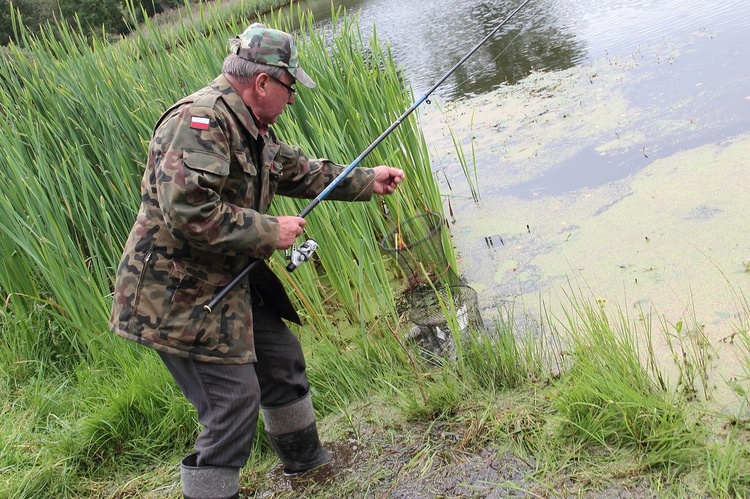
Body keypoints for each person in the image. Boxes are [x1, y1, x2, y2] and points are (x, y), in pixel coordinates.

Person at [109, 23, 405, 499]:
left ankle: (307, 470)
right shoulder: (200, 122)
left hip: (227, 280)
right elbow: (188, 211)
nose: (292, 99)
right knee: (233, 404)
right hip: (176, 298)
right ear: (263, 81)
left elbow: (301, 171)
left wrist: (368, 181)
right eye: (288, 87)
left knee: (282, 361)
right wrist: (271, 230)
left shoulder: (251, 125)